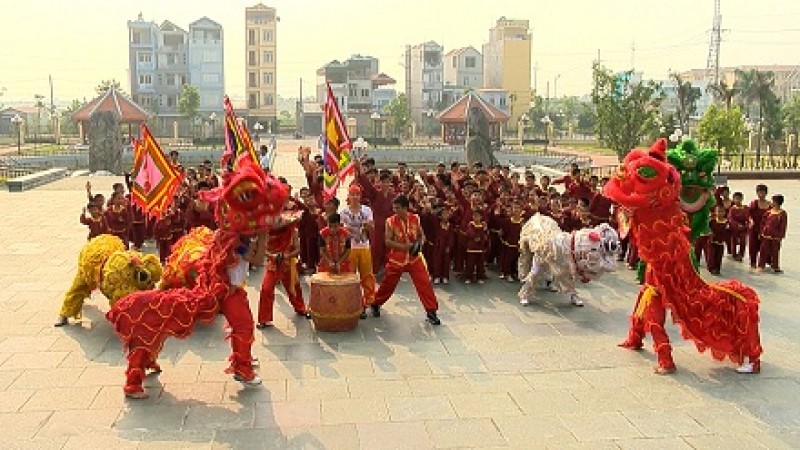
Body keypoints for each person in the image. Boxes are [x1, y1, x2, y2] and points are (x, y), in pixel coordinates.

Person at [371, 195, 441, 325]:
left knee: (424, 283)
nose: (395, 210)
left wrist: (419, 245)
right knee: (388, 284)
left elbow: (421, 235)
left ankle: (431, 311)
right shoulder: (390, 221)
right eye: (394, 208)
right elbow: (387, 241)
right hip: (397, 259)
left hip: (414, 258)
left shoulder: (415, 218)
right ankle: (376, 303)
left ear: (405, 208)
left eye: (397, 208)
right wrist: (405, 247)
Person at [257, 221, 309, 328]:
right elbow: (261, 248)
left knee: (294, 288)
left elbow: (298, 249)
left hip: (288, 264)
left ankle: (301, 308)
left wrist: (287, 256)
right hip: (272, 264)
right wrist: (272, 255)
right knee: (266, 289)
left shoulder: (293, 231)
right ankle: (264, 319)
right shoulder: (266, 231)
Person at [339, 185, 377, 317]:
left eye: (357, 194)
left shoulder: (367, 210)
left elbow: (372, 227)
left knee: (367, 276)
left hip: (364, 246)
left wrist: (367, 225)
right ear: (348, 196)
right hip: (351, 249)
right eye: (352, 194)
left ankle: (368, 302)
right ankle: (353, 302)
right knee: (351, 276)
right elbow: (341, 231)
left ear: (360, 196)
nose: (355, 197)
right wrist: (346, 231)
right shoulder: (343, 213)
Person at [757, 194, 787, 273]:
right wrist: (761, 232)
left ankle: (775, 266)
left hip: (775, 237)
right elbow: (763, 223)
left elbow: (783, 225)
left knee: (775, 252)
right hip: (766, 235)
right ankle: (761, 265)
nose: (772, 203)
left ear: (777, 202)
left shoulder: (782, 213)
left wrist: (780, 236)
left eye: (773, 201)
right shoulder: (768, 212)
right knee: (763, 251)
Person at [464, 209, 489, 284]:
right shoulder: (470, 224)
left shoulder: (483, 225)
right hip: (471, 248)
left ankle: (479, 277)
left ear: (481, 217)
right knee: (470, 264)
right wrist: (476, 236)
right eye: (474, 216)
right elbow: (470, 233)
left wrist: (484, 231)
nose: (476, 218)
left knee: (480, 264)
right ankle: (469, 277)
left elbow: (485, 235)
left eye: (478, 216)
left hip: (480, 248)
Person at [748, 184, 771, 268]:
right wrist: (750, 220)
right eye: (759, 192)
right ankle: (753, 262)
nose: (761, 194)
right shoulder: (754, 203)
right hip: (754, 227)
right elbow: (749, 214)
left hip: (764, 228)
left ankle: (764, 263)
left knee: (765, 246)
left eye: (763, 192)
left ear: (766, 193)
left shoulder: (770, 204)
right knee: (753, 245)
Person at [706, 205, 729, 275]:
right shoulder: (712, 221)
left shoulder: (727, 222)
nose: (720, 213)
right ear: (715, 212)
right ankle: (711, 268)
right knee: (711, 255)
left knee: (719, 257)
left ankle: (717, 268)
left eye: (721, 211)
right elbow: (706, 228)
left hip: (721, 242)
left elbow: (729, 232)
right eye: (718, 211)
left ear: (724, 212)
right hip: (712, 242)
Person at [727, 192, 749, 261]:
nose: (738, 200)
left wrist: (746, 225)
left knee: (743, 242)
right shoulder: (732, 209)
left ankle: (741, 255)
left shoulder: (745, 208)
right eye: (736, 199)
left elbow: (748, 217)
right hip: (734, 228)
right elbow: (730, 218)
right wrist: (737, 224)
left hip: (743, 228)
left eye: (739, 199)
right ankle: (734, 255)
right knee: (733, 241)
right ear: (733, 199)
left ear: (742, 199)